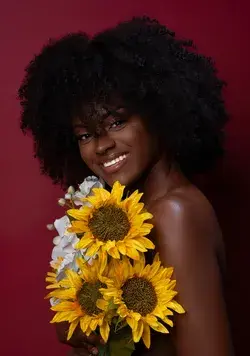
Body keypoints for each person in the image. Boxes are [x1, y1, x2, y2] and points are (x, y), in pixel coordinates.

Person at [18, 16, 233, 356]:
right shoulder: (130, 215)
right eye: (85, 135)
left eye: (116, 122)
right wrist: (82, 321)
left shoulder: (174, 214)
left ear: (159, 111)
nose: (101, 145)